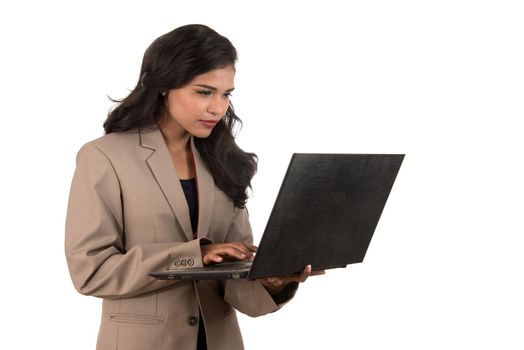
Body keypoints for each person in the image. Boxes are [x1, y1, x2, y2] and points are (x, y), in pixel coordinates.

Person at [65, 24, 322, 350]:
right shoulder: (104, 157)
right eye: (204, 92)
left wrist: (272, 282)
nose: (218, 107)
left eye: (226, 94)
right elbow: (91, 272)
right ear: (163, 87)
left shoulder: (225, 161)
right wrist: (195, 255)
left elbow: (235, 283)